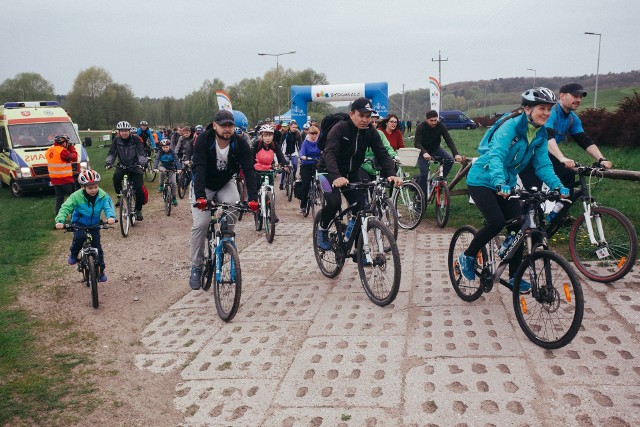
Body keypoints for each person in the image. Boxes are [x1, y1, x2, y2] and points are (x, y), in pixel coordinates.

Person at [457, 88, 570, 293]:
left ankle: (514, 275)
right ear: (527, 109)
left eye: (549, 109)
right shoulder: (510, 127)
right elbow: (497, 156)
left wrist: (557, 186)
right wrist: (500, 182)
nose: (546, 113)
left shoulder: (540, 133)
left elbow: (543, 164)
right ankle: (468, 255)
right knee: (496, 222)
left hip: (506, 182)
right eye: (541, 108)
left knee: (520, 225)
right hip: (482, 179)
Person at [316, 97, 403, 250]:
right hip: (327, 172)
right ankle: (322, 230)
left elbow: (382, 153)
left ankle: (359, 249)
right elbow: (329, 153)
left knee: (362, 209)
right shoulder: (340, 128)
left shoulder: (370, 131)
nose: (365, 120)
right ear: (352, 114)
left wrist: (391, 173)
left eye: (368, 116)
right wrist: (336, 177)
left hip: (351, 174)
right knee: (334, 202)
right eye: (361, 116)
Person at [189, 110, 259, 290]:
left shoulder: (240, 143)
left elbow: (249, 170)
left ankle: (226, 238)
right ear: (215, 126)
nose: (227, 129)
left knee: (234, 203)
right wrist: (201, 197)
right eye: (223, 126)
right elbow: (198, 168)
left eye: (230, 125)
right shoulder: (204, 140)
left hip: (224, 183)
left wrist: (252, 198)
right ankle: (196, 266)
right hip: (203, 185)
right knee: (201, 224)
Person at [519, 82, 613, 192]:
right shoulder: (551, 112)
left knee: (568, 175)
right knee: (534, 193)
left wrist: (601, 159)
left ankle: (560, 207)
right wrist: (561, 158)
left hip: (545, 154)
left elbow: (584, 140)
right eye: (575, 96)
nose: (578, 100)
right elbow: (547, 136)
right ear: (562, 96)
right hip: (527, 156)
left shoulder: (572, 119)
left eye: (580, 97)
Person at [55, 169, 116, 282]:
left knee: (98, 248)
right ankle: (74, 254)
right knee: (79, 237)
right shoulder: (76, 196)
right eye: (90, 188)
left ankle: (100, 271)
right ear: (83, 187)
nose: (93, 190)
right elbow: (66, 207)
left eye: (95, 187)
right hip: (79, 223)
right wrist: (60, 220)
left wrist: (111, 217)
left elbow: (108, 206)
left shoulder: (102, 195)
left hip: (94, 224)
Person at [414, 109, 463, 196]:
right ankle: (420, 196)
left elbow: (448, 140)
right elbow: (417, 142)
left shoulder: (441, 126)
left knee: (450, 160)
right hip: (423, 151)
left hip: (436, 149)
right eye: (431, 120)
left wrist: (456, 154)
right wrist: (424, 152)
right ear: (426, 119)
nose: (433, 123)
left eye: (435, 120)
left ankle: (437, 181)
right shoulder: (421, 127)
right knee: (424, 174)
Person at [105, 121, 147, 221]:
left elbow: (141, 153)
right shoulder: (116, 140)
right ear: (119, 132)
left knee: (139, 189)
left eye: (126, 131)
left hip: (135, 166)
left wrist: (142, 164)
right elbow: (112, 153)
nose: (124, 133)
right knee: (116, 178)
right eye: (122, 131)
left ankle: (138, 210)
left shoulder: (136, 139)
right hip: (122, 165)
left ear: (129, 131)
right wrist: (108, 163)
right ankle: (119, 196)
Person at [46, 134, 78, 214]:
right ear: (64, 143)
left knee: (59, 199)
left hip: (55, 180)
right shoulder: (62, 151)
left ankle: (59, 217)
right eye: (67, 142)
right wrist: (72, 148)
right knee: (73, 198)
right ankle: (76, 215)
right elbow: (74, 157)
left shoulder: (49, 150)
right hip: (65, 179)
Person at [298, 124, 322, 214]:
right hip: (306, 165)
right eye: (312, 133)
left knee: (323, 181)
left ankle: (324, 198)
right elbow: (302, 152)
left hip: (317, 164)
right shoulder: (305, 142)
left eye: (316, 133)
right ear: (309, 133)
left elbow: (324, 150)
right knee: (306, 185)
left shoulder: (319, 142)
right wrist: (303, 156)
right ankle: (303, 206)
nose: (314, 135)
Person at [154, 140, 182, 206]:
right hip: (163, 166)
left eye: (167, 147)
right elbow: (157, 159)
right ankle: (161, 185)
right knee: (162, 172)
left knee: (173, 183)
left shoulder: (172, 152)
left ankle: (174, 198)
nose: (165, 148)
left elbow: (176, 160)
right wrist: (155, 167)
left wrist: (179, 169)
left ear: (169, 146)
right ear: (161, 147)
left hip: (172, 167)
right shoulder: (160, 152)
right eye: (164, 147)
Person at [279, 119, 302, 189]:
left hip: (294, 152)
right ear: (290, 127)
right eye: (293, 127)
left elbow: (300, 144)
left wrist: (301, 152)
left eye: (296, 127)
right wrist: (279, 152)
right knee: (285, 167)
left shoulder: (298, 134)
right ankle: (282, 182)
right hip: (285, 152)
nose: (295, 129)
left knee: (295, 164)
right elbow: (281, 143)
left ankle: (293, 177)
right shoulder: (285, 133)